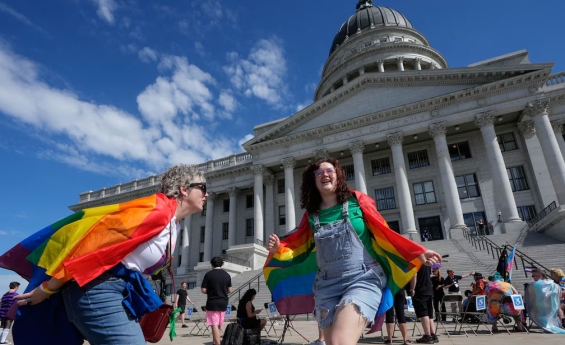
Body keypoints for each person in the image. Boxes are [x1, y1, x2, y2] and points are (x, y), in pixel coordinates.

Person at [0, 164, 208, 345]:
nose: (207, 194)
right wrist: (47, 288)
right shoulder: (156, 210)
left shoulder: (174, 225)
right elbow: (91, 250)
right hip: (97, 287)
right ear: (184, 189)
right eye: (203, 188)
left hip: (115, 290)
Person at [265, 158, 441, 345]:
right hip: (326, 285)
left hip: (363, 278)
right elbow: (299, 249)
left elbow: (384, 232)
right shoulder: (312, 215)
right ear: (313, 180)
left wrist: (415, 251)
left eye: (329, 170)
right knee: (333, 342)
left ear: (338, 175)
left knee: (341, 341)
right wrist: (279, 250)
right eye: (318, 172)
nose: (324, 174)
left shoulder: (358, 200)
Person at [201, 256, 232, 345]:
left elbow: (203, 290)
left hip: (212, 302)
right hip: (223, 302)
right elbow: (230, 290)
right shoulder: (227, 275)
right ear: (222, 264)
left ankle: (218, 343)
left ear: (212, 264)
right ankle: (215, 342)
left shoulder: (209, 274)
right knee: (218, 324)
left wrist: (212, 291)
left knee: (214, 324)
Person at [525, 269, 565, 334]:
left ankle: (558, 324)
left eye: (537, 276)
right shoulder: (548, 284)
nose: (535, 277)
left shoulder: (549, 284)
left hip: (546, 306)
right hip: (546, 306)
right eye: (533, 276)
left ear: (542, 275)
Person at [410, 265, 437, 343]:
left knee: (423, 313)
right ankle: (433, 334)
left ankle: (427, 335)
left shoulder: (416, 262)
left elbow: (414, 275)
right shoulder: (427, 264)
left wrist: (412, 289)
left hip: (420, 289)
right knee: (429, 314)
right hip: (428, 289)